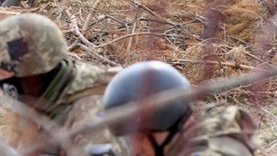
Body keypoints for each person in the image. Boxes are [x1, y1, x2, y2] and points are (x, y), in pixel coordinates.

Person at [0, 13, 129, 156]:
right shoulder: (46, 94)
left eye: (2, 73)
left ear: (30, 72)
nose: (0, 80)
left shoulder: (90, 107)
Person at [101, 61, 258, 156]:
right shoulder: (181, 144)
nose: (135, 150)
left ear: (167, 120)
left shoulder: (217, 148)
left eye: (139, 137)